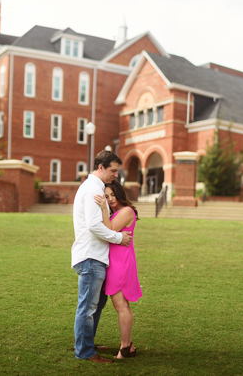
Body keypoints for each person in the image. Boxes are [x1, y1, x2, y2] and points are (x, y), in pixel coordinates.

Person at [71, 150, 131, 364]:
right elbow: (94, 226)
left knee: (95, 305)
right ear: (101, 167)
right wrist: (118, 238)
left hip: (97, 257)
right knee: (87, 307)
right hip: (90, 257)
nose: (115, 174)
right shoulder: (91, 189)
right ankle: (84, 351)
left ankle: (87, 343)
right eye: (113, 170)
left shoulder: (96, 188)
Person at [93, 179, 142, 359]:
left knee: (121, 305)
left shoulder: (126, 211)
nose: (110, 199)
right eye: (106, 196)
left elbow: (111, 230)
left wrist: (104, 209)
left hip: (120, 263)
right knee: (120, 305)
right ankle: (128, 345)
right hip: (115, 262)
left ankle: (125, 348)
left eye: (113, 195)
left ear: (120, 193)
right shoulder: (116, 213)